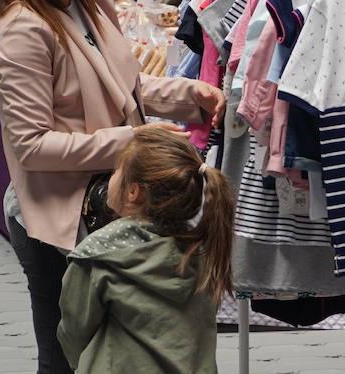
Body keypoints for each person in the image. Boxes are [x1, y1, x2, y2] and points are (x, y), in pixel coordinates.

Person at [0, 0, 225, 374]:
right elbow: (31, 146)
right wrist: (132, 140)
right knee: (67, 360)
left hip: (115, 200)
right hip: (58, 219)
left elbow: (127, 88)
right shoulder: (22, 32)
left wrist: (191, 96)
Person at [57, 127, 234, 373]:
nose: (112, 176)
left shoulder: (95, 255)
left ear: (133, 190)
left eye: (117, 170)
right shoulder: (203, 248)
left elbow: (75, 331)